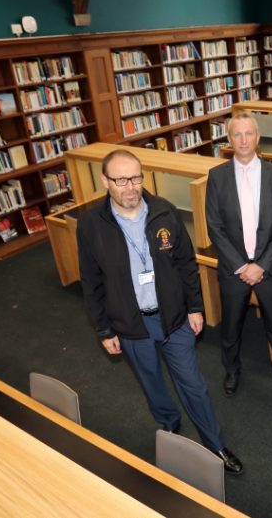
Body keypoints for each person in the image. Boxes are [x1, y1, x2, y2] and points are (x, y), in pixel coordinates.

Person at [77, 149, 243, 474]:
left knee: (193, 384)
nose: (130, 187)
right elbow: (91, 282)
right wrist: (104, 330)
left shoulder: (164, 212)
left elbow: (185, 264)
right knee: (151, 381)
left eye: (136, 178)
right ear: (104, 181)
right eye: (121, 179)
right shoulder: (91, 226)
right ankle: (169, 424)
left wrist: (196, 307)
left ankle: (215, 445)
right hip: (130, 325)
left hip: (174, 319)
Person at [205, 111, 272, 396]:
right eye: (237, 134)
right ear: (229, 139)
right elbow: (214, 226)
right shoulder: (216, 176)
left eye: (248, 134)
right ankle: (231, 369)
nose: (243, 140)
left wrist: (261, 266)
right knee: (230, 326)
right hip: (234, 268)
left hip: (269, 266)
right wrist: (242, 266)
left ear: (258, 138)